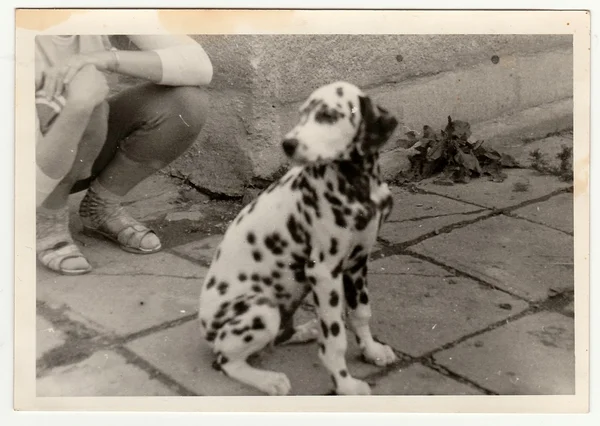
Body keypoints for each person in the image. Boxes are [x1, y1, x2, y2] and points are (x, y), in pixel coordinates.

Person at [35, 34, 213, 275]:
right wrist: (78, 104)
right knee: (85, 103)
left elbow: (198, 65)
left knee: (186, 102)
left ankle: (101, 206)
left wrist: (102, 59)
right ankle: (47, 217)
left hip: (71, 144)